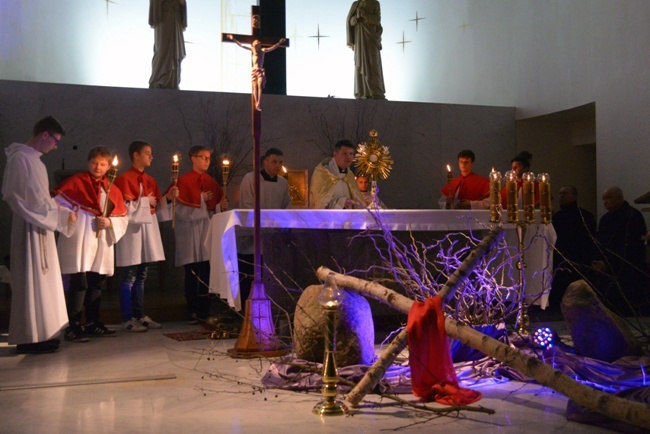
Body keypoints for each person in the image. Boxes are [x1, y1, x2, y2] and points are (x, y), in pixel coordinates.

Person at [2, 116, 77, 354]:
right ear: (44, 135)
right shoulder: (19, 159)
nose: (55, 146)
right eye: (55, 141)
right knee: (31, 280)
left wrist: (61, 212)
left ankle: (43, 333)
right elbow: (17, 197)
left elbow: (41, 200)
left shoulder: (36, 162)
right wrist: (55, 214)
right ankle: (29, 337)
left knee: (43, 280)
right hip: (28, 229)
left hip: (41, 226)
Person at [53, 146, 129, 342]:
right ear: (88, 163)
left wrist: (110, 222)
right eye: (95, 162)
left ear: (108, 166)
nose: (98, 167)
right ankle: (73, 325)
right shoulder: (75, 183)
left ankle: (93, 322)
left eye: (103, 164)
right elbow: (56, 206)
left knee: (96, 282)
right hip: (80, 238)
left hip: (101, 240)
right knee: (79, 282)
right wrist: (68, 215)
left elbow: (122, 217)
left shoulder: (112, 188)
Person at [114, 141, 178, 332]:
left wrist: (167, 197)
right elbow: (123, 208)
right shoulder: (124, 179)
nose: (151, 157)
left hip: (147, 230)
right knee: (129, 276)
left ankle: (140, 314)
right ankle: (127, 318)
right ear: (136, 155)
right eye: (147, 153)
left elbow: (157, 205)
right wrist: (144, 201)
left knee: (142, 275)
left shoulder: (150, 179)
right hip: (132, 232)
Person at [170, 145, 227, 323]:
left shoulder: (211, 181)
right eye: (202, 157)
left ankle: (204, 309)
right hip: (189, 231)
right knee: (192, 271)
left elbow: (214, 208)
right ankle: (192, 309)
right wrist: (199, 200)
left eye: (208, 158)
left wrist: (219, 206)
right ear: (193, 158)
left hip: (205, 229)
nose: (206, 161)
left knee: (206, 270)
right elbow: (177, 209)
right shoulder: (183, 181)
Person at [238, 148, 292, 306]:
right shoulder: (250, 179)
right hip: (252, 240)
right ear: (264, 162)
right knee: (250, 278)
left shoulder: (283, 183)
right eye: (274, 161)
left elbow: (287, 206)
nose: (278, 165)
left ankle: (271, 310)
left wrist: (281, 225)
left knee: (271, 279)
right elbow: (247, 207)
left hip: (273, 239)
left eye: (280, 162)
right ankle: (246, 311)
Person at [592, 186, 648, 315]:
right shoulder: (605, 218)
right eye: (603, 199)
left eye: (609, 198)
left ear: (619, 198)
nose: (605, 202)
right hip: (607, 269)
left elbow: (632, 246)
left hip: (628, 269)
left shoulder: (632, 216)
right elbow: (601, 242)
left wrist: (609, 264)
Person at [550, 185, 597, 307]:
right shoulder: (557, 217)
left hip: (579, 258)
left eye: (565, 193)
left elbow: (590, 240)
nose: (561, 196)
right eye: (560, 194)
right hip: (561, 258)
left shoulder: (585, 216)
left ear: (574, 196)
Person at [226, 34, 287, 111]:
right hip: (254, 70)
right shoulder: (252, 49)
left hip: (260, 70)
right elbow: (241, 45)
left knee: (259, 85)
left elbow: (272, 48)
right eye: (255, 46)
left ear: (259, 45)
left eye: (257, 46)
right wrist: (233, 39)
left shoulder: (263, 50)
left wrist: (279, 43)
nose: (255, 48)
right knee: (254, 86)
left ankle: (259, 102)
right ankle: (256, 102)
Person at [347, 0, 386, 100]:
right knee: (360, 65)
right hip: (360, 41)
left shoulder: (375, 3)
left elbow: (377, 20)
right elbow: (350, 21)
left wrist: (365, 15)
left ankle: (377, 93)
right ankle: (362, 92)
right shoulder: (356, 4)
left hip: (371, 39)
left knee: (373, 65)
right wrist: (355, 18)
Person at [310, 139, 364, 209]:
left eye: (351, 154)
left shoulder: (349, 175)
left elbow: (357, 200)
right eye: (345, 153)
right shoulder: (323, 173)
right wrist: (342, 202)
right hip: (329, 218)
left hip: (349, 218)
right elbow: (318, 202)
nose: (348, 157)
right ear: (335, 154)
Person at [148, 0, 187, 89]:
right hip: (163, 15)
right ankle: (158, 80)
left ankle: (173, 81)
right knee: (162, 49)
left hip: (175, 17)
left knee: (175, 50)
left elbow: (183, 3)